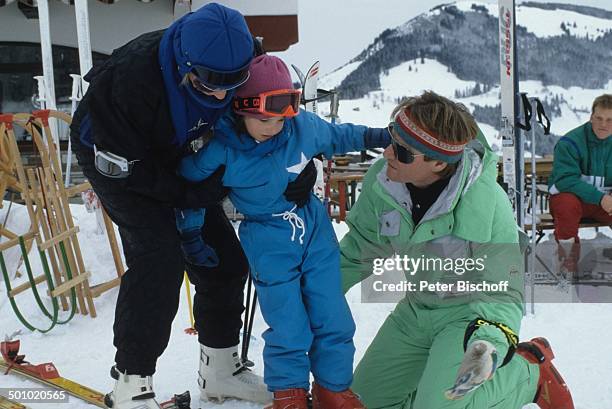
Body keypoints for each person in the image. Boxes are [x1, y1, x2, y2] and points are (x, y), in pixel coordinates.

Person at [69, 4, 316, 408]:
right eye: (207, 85)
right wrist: (187, 195)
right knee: (159, 259)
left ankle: (219, 370)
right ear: (185, 64)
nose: (221, 94)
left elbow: (268, 118)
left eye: (230, 84)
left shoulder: (248, 61)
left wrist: (293, 166)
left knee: (225, 259)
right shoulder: (132, 80)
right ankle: (132, 383)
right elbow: (131, 171)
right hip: (118, 160)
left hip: (180, 152)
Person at [176, 54, 390, 409]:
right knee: (288, 322)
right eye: (265, 119)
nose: (275, 126)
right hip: (268, 239)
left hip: (314, 231)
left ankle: (332, 388)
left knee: (332, 314)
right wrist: (192, 234)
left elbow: (339, 136)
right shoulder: (222, 150)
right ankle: (288, 391)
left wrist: (379, 135)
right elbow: (190, 191)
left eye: (281, 118)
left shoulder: (302, 127)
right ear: (240, 108)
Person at [339, 91, 575, 409]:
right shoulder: (383, 183)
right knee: (362, 404)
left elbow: (503, 288)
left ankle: (527, 376)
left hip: (474, 315)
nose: (388, 153)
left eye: (404, 153)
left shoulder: (485, 201)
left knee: (444, 404)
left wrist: (490, 338)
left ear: (438, 162)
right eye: (392, 139)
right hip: (417, 309)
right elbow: (357, 251)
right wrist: (311, 298)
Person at [548, 94, 612, 273]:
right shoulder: (570, 142)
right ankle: (566, 261)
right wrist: (601, 198)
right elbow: (565, 179)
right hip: (573, 201)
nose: (603, 124)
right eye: (599, 118)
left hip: (604, 203)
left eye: (609, 120)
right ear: (591, 117)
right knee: (566, 203)